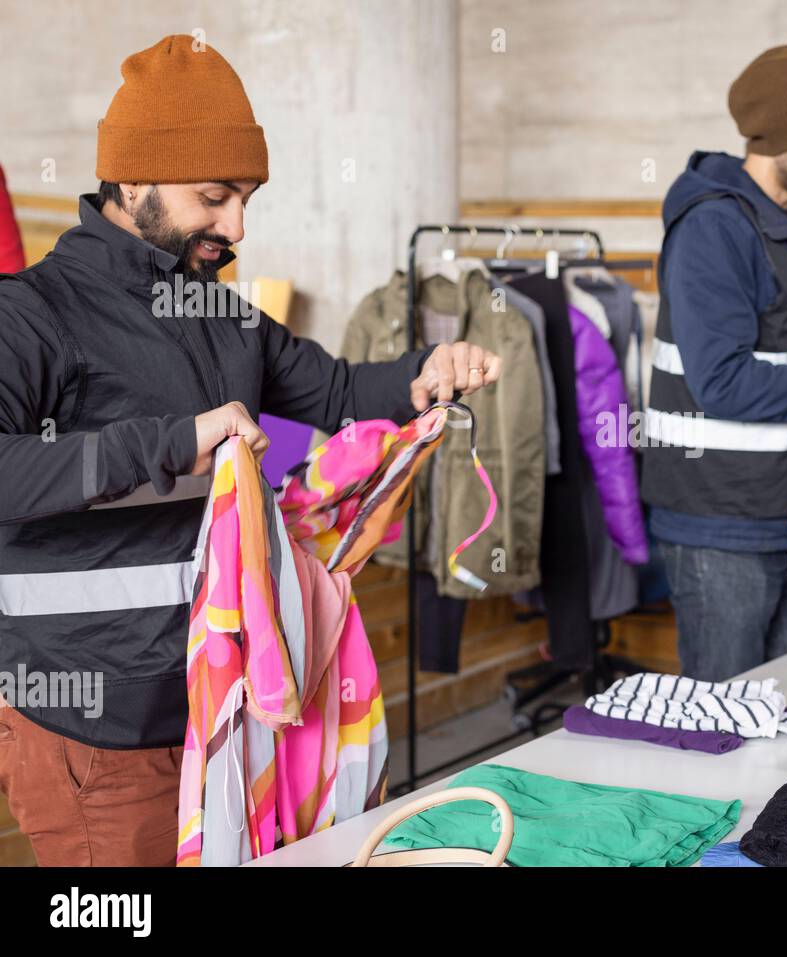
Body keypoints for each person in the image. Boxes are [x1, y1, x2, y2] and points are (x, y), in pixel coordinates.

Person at [0, 35, 501, 866]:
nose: (236, 226)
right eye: (214, 197)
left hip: (232, 714)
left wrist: (428, 373)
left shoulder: (224, 316)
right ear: (131, 180)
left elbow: (342, 394)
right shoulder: (30, 313)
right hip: (99, 736)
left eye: (247, 198)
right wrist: (170, 444)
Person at [641, 45, 787, 681]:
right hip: (723, 523)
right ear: (780, 134)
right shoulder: (714, 229)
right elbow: (723, 383)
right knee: (725, 728)